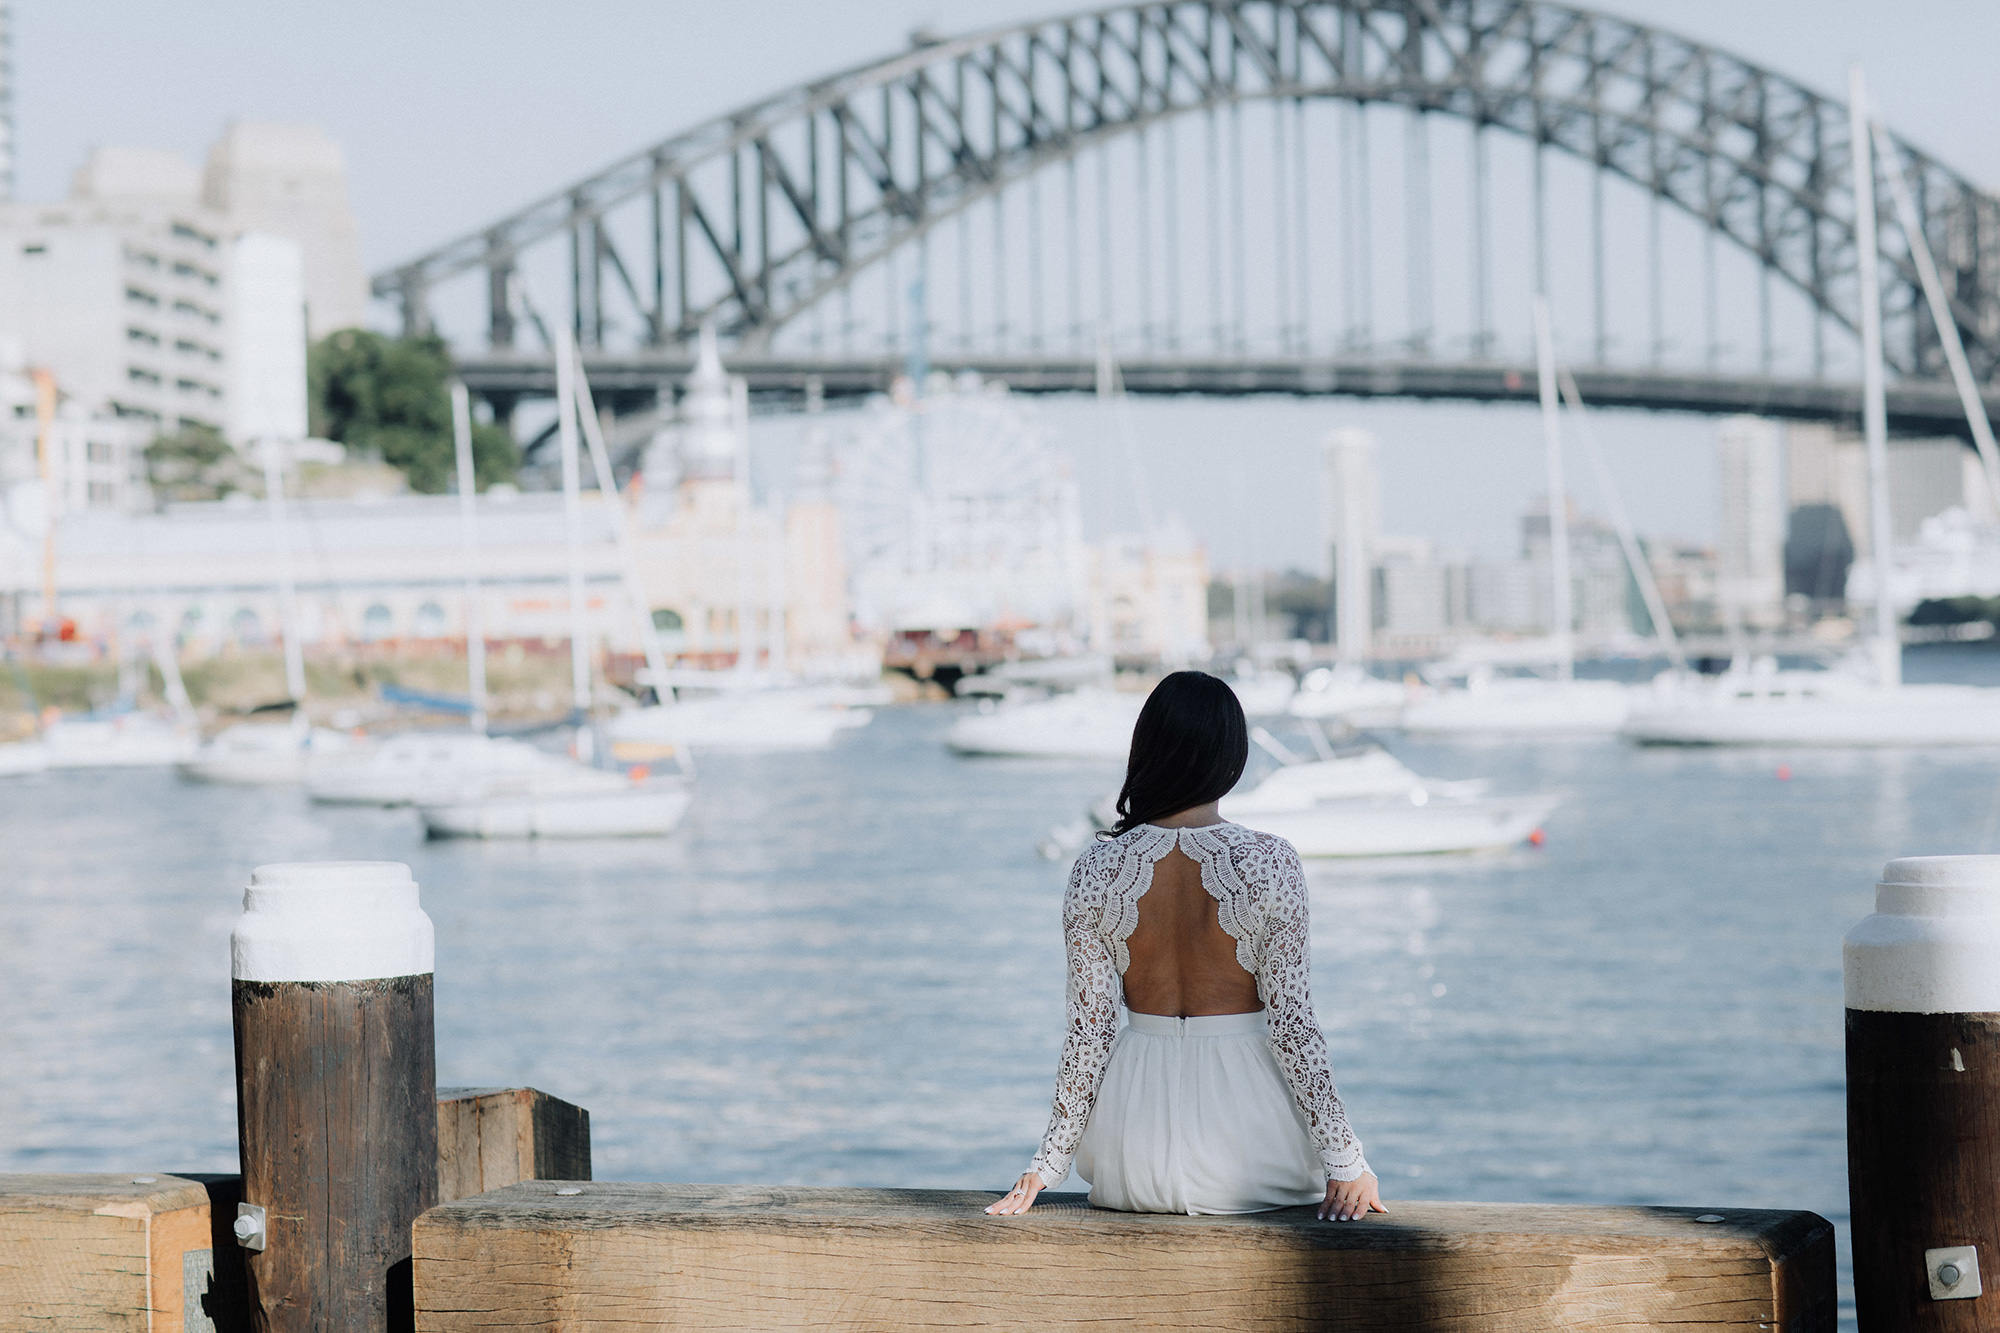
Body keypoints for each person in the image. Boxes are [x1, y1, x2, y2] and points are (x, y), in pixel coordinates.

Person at [986, 670, 1383, 1222]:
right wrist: (1346, 1160)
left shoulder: (1094, 868)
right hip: (1246, 1150)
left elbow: (1090, 1031)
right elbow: (1293, 1025)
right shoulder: (1271, 862)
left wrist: (1047, 1164)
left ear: (1146, 749)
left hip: (1134, 1153)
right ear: (1231, 755)